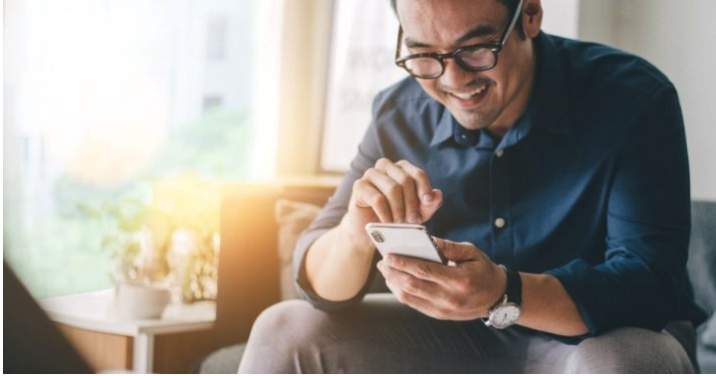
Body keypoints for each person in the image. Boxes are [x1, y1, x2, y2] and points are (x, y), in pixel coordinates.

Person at [239, 0, 707, 372]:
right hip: (453, 343)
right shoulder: (398, 114)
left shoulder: (632, 98)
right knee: (284, 329)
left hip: (597, 340)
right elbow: (318, 284)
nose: (453, 79)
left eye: (476, 49)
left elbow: (650, 284)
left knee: (622, 364)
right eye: (424, 54)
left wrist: (504, 293)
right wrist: (353, 235)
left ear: (530, 14)